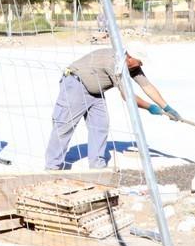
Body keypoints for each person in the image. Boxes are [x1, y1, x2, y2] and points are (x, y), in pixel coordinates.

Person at [45, 43, 180, 170]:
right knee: (64, 126)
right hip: (76, 84)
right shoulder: (115, 63)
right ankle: (52, 167)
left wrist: (166, 107)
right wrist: (150, 107)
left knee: (100, 126)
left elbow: (147, 86)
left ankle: (97, 166)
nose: (141, 64)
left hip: (96, 90)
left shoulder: (132, 65)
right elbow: (127, 96)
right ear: (130, 57)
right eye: (140, 61)